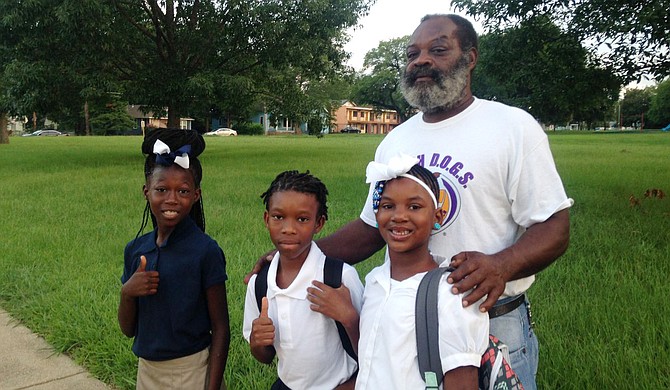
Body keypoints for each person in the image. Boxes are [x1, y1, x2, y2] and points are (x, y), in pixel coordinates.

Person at [246, 13, 572, 390]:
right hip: (403, 317)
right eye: (412, 53)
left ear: (471, 57)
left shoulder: (511, 128)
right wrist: (301, 254)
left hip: (489, 315)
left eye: (438, 49)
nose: (421, 60)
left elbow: (554, 225)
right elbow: (371, 228)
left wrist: (501, 265)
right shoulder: (397, 140)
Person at [348, 155, 489, 389]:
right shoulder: (375, 281)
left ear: (437, 217)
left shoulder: (451, 293)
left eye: (414, 207)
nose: (399, 216)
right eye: (387, 206)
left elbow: (462, 383)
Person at [118, 128, 229, 390]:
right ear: (147, 192)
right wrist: (127, 292)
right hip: (147, 371)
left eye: (182, 191)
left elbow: (221, 329)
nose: (171, 199)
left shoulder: (205, 251)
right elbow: (128, 329)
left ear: (196, 195)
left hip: (192, 370)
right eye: (162, 189)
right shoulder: (136, 250)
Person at [243, 170, 364, 390]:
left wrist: (348, 316)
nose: (289, 229)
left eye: (302, 219)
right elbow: (264, 356)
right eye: (278, 217)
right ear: (266, 219)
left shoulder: (339, 277)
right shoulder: (259, 283)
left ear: (319, 223)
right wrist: (257, 342)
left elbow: (372, 350)